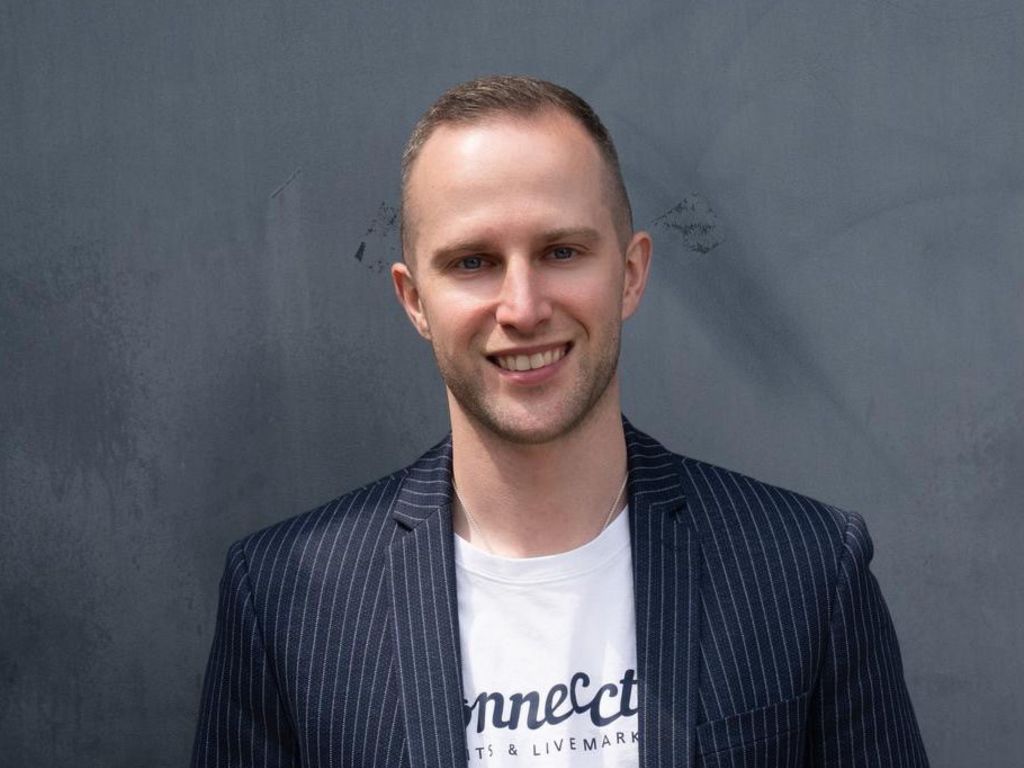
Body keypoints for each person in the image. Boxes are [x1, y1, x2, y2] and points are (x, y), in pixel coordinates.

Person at [191, 75, 929, 768]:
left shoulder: (804, 567)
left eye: (561, 251)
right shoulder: (288, 600)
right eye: (473, 262)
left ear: (629, 274)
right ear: (414, 301)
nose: (523, 308)